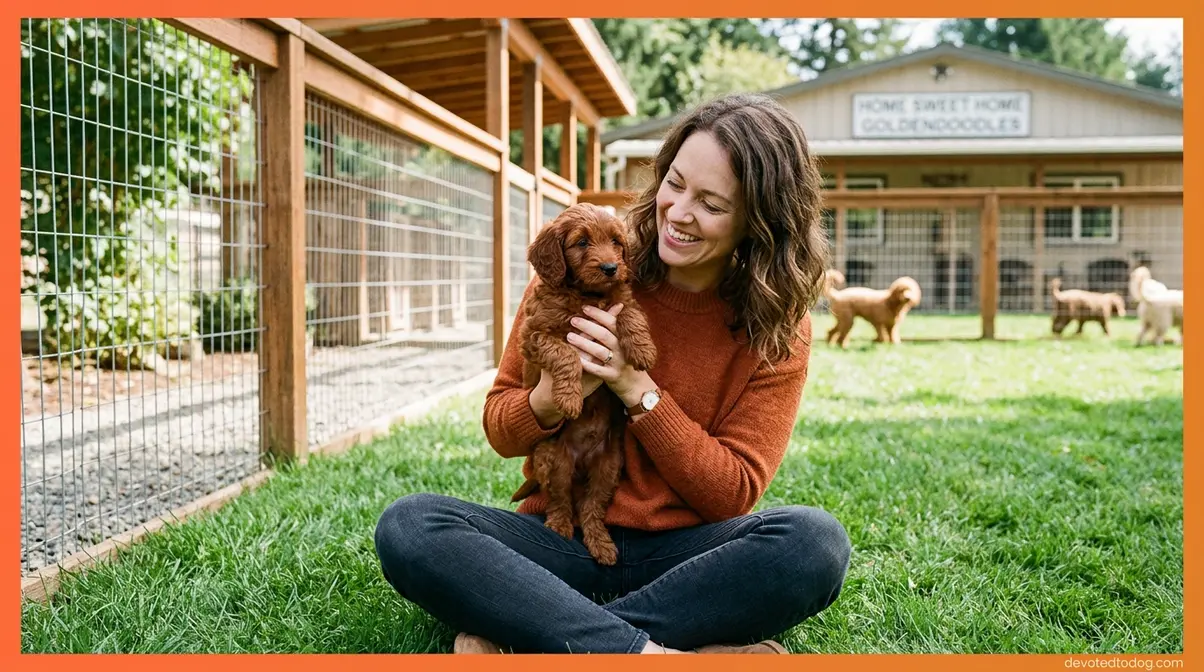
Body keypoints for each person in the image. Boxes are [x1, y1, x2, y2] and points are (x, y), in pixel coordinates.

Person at [373, 92, 851, 654]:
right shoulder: (578, 269)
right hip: (560, 539)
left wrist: (635, 388)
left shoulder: (777, 327)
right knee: (411, 525)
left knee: (815, 543)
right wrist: (549, 399)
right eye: (675, 183)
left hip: (686, 556)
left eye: (712, 204)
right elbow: (500, 426)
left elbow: (734, 492)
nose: (678, 213)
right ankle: (653, 653)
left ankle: (536, 636)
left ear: (759, 221)